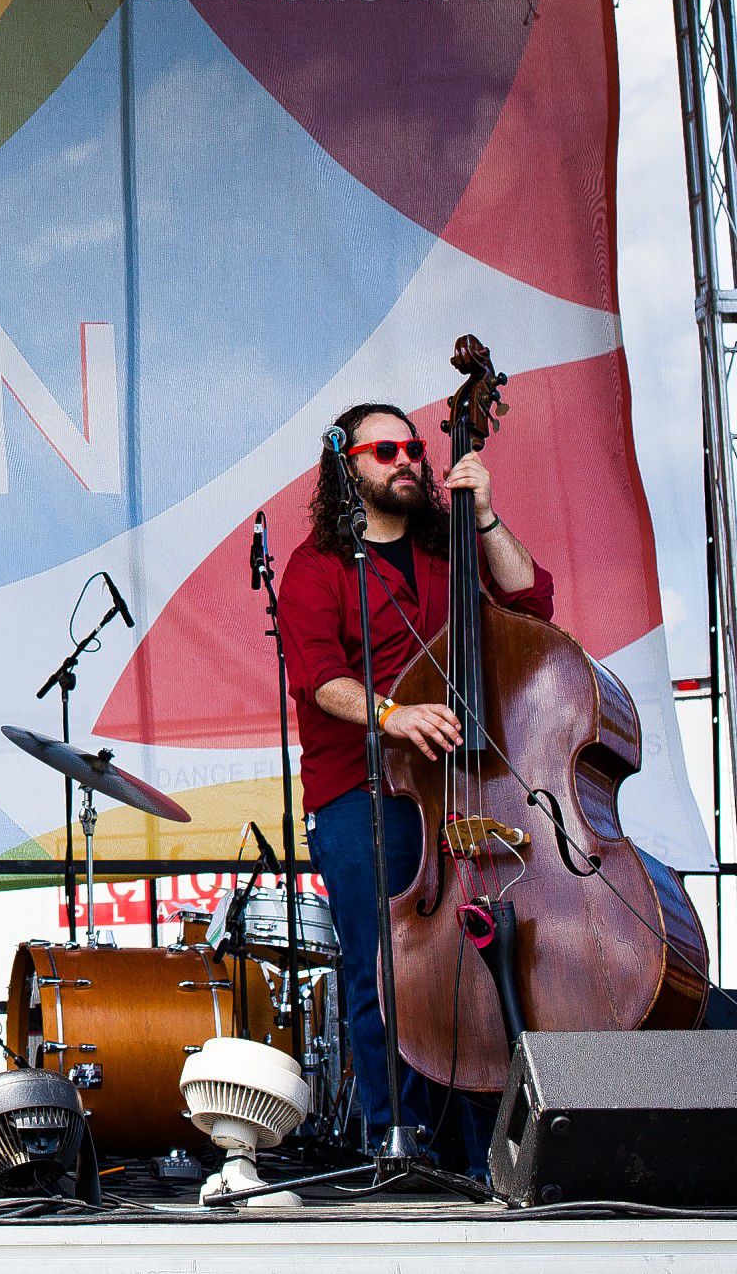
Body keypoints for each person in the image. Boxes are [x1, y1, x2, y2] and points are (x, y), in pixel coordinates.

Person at [277, 401, 549, 1167]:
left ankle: (491, 1146)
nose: (405, 460)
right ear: (348, 465)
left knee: (477, 963)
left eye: (414, 447)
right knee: (383, 968)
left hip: (464, 788)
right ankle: (397, 1141)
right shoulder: (317, 566)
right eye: (384, 449)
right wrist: (393, 715)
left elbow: (531, 603)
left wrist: (486, 516)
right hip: (363, 794)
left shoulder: (449, 549)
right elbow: (321, 680)